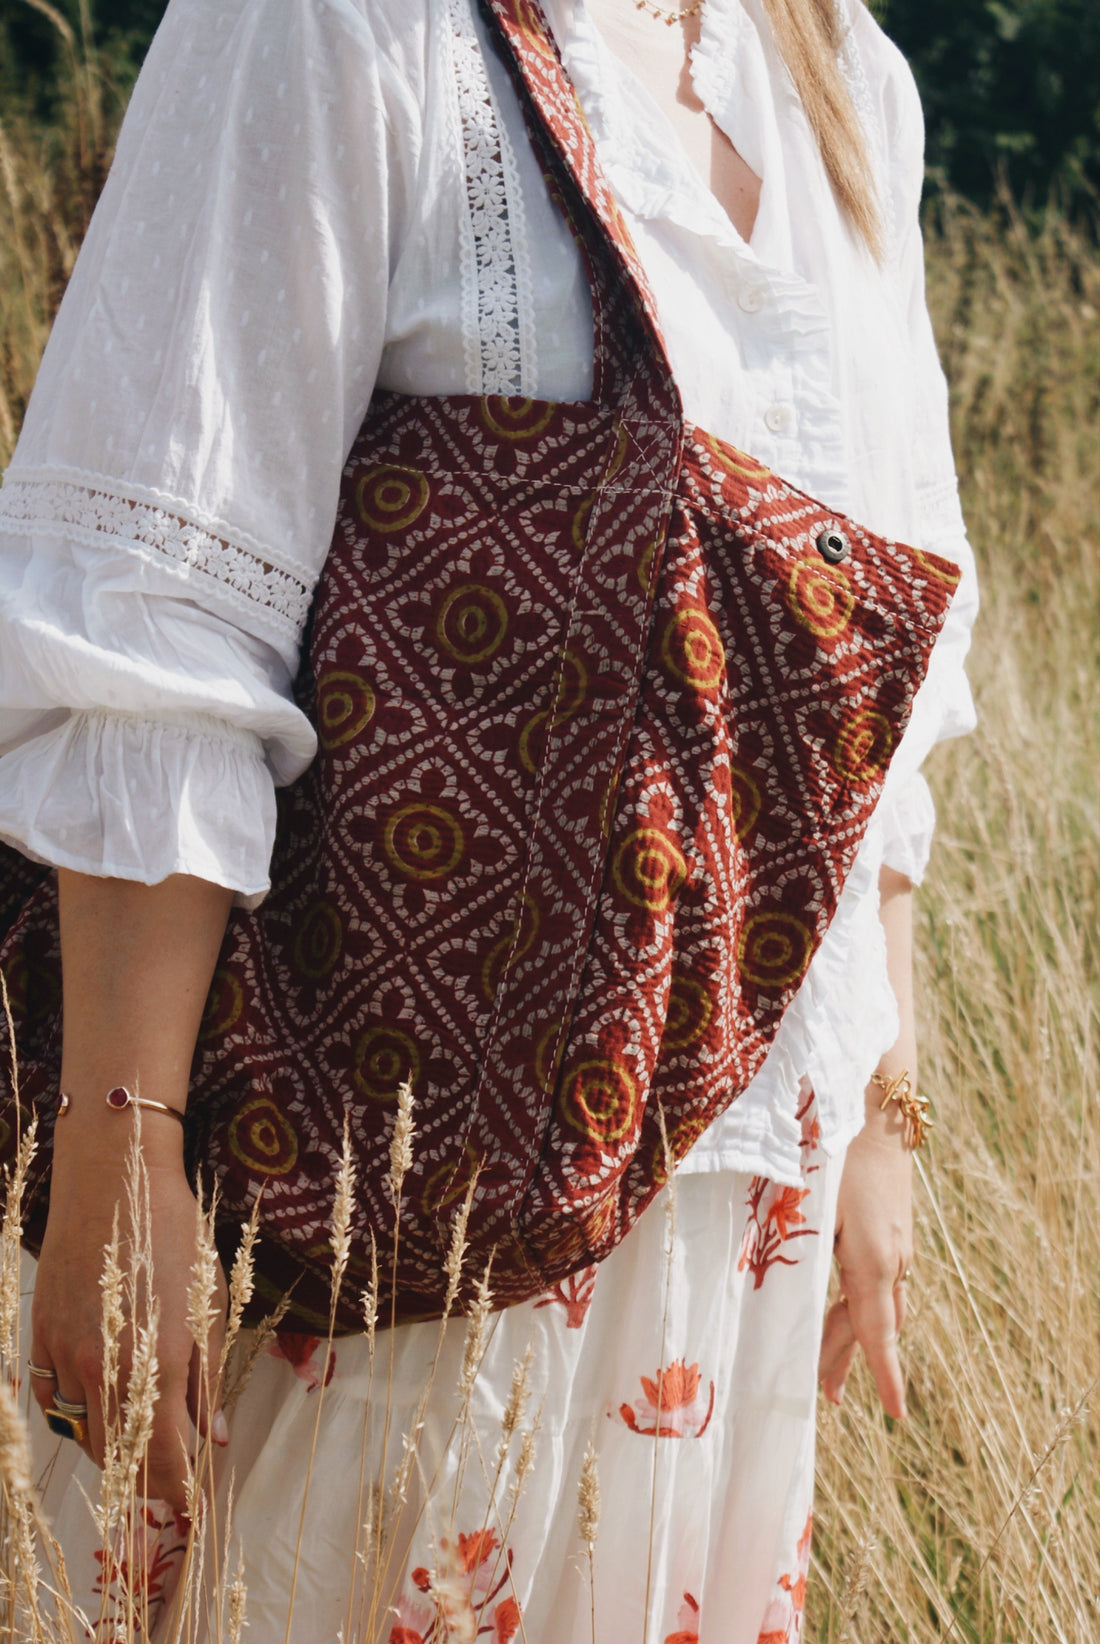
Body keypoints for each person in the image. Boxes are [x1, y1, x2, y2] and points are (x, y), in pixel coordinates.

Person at [0, 0, 978, 1638]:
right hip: (403, 1198)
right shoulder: (334, 25)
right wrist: (123, 1143)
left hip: (746, 1198)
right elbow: (160, 614)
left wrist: (885, 1097)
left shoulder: (845, 79)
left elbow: (887, 675)